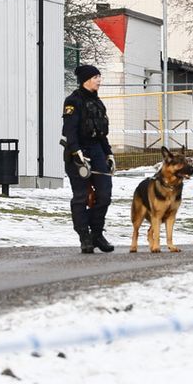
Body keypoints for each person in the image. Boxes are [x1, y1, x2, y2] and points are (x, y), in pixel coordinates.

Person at [62, 64, 115, 254]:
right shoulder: (73, 101)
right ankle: (84, 236)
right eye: (96, 77)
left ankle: (97, 234)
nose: (99, 80)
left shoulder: (98, 102)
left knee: (104, 194)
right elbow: (69, 131)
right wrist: (77, 153)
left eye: (99, 77)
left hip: (97, 151)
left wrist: (108, 153)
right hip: (78, 153)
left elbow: (101, 133)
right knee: (81, 196)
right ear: (85, 80)